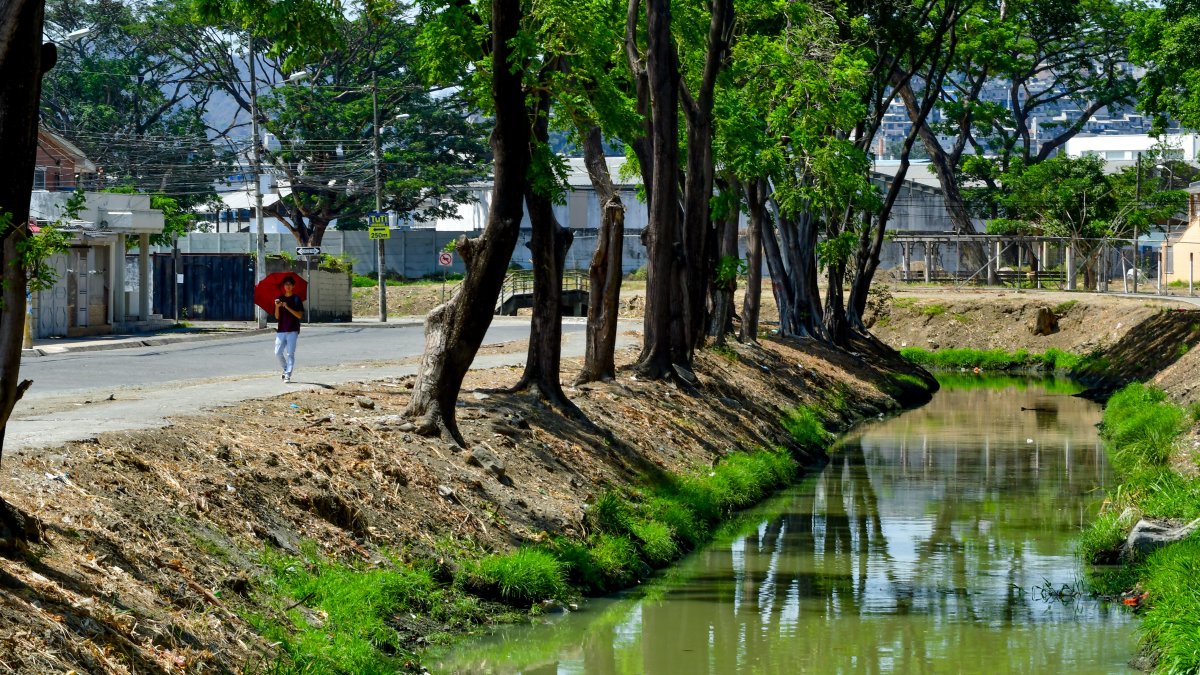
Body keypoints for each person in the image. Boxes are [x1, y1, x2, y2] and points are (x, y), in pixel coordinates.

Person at [274, 276, 304, 382]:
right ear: (283, 286)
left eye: (289, 284)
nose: (287, 286)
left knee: (290, 353)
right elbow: (277, 317)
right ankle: (286, 368)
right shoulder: (280, 298)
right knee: (277, 352)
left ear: (293, 286)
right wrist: (277, 307)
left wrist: (287, 307)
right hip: (281, 329)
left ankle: (287, 374)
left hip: (293, 330)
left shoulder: (296, 299)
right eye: (286, 284)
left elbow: (299, 315)